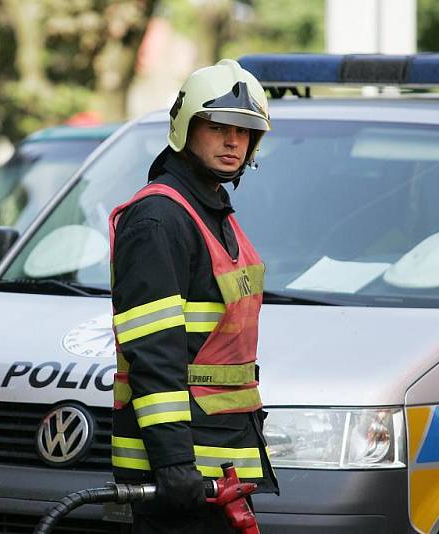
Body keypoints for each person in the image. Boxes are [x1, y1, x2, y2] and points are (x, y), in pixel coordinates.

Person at [109, 59, 279, 533]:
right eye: (218, 127)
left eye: (244, 132)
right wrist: (173, 465)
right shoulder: (159, 219)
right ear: (186, 128)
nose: (232, 142)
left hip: (223, 471)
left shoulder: (214, 211)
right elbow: (154, 353)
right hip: (182, 480)